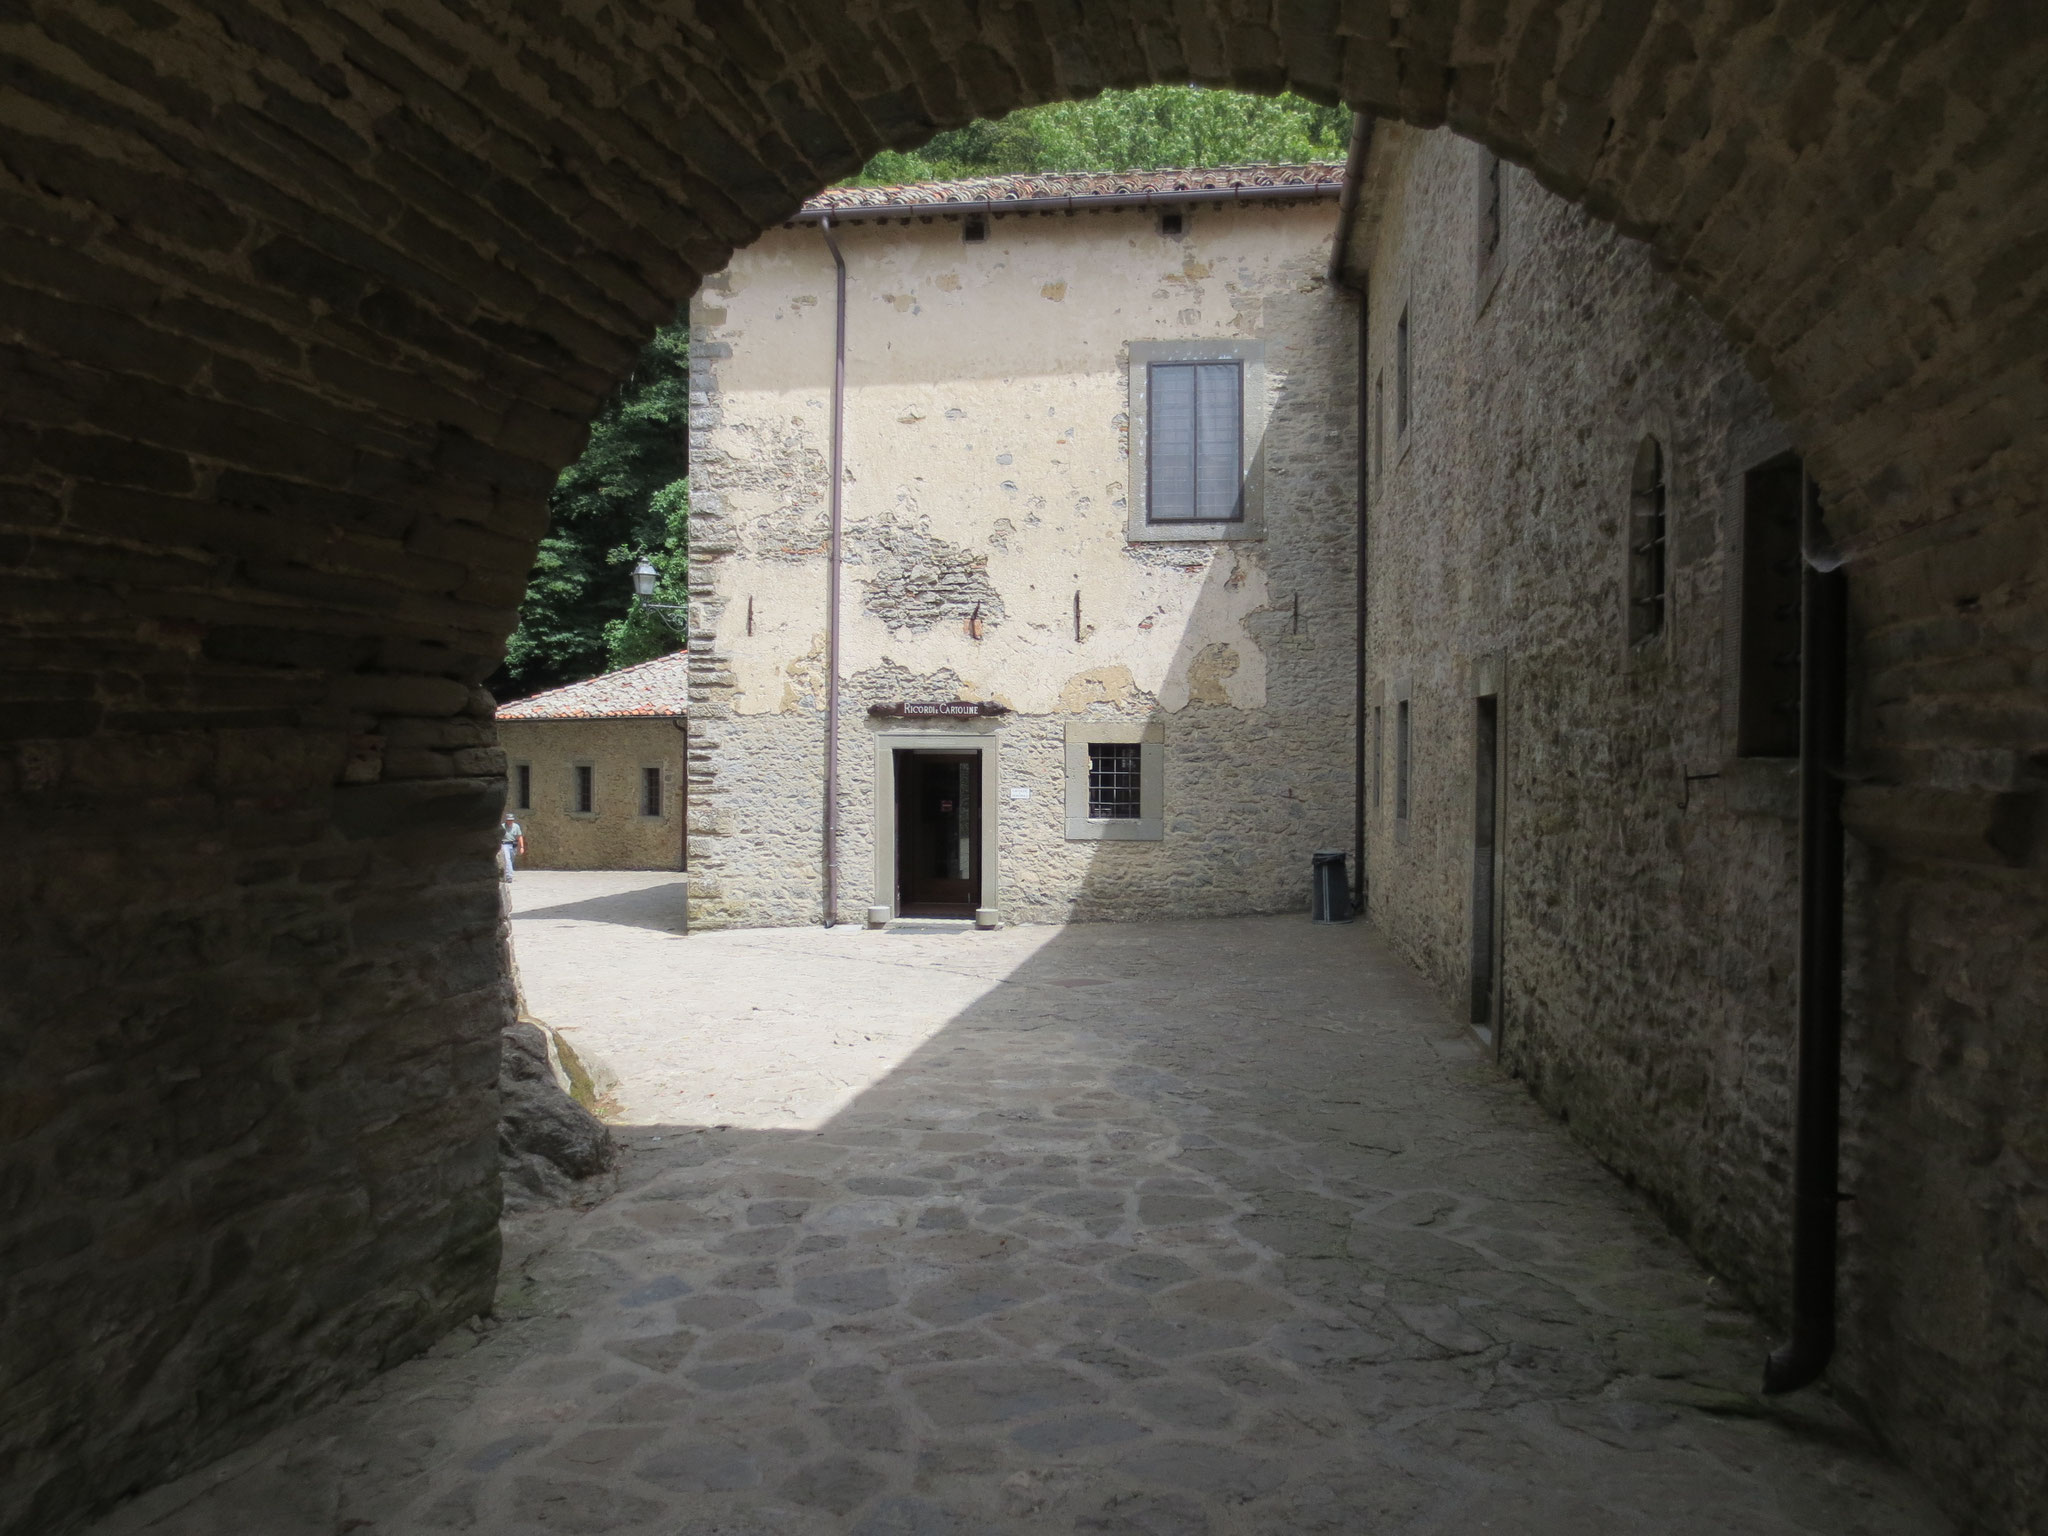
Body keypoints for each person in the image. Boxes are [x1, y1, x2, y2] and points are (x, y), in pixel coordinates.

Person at [500, 811, 525, 879]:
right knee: (507, 859)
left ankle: (506, 872)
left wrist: (522, 847)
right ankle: (509, 876)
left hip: (513, 844)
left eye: (511, 820)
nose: (510, 821)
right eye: (509, 820)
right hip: (505, 844)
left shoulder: (516, 826)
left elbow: (519, 836)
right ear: (506, 820)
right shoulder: (502, 826)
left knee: (511, 860)